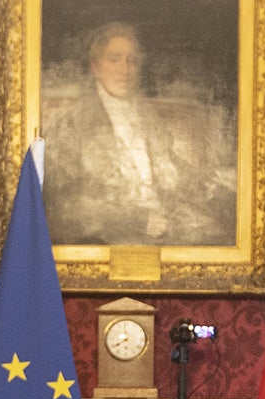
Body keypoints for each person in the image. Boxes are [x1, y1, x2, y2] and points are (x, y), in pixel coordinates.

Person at [41, 20, 236, 246]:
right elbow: (62, 207)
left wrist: (227, 195)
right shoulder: (72, 125)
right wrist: (138, 221)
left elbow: (177, 174)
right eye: (114, 60)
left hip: (169, 223)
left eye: (131, 61)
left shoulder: (146, 116)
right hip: (110, 235)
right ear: (95, 66)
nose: (124, 70)